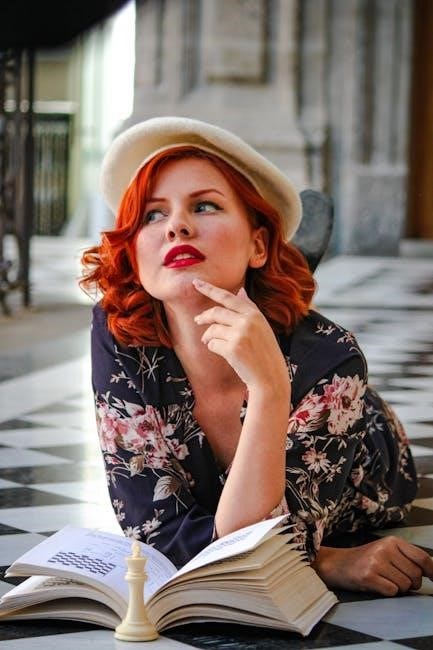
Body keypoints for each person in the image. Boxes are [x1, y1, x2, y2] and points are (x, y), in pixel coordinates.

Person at [81, 116, 433, 597]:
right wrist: (326, 561)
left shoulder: (333, 361)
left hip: (363, 446)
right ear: (135, 253)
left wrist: (269, 388)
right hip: (251, 280)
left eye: (204, 206)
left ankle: (278, 278)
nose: (177, 225)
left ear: (258, 243)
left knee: (301, 349)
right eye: (153, 215)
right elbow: (154, 531)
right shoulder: (119, 329)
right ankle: (278, 266)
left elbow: (255, 556)